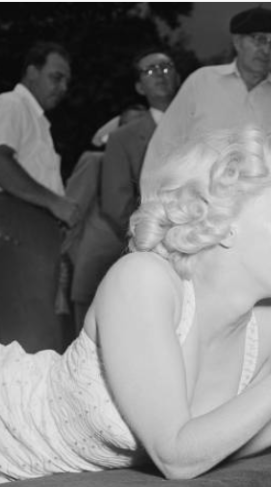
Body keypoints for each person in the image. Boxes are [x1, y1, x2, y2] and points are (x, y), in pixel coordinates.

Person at [0, 128, 271, 486]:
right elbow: (176, 458)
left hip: (42, 479)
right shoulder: (144, 279)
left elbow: (220, 445)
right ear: (226, 223)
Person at [70, 48, 180, 330]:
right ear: (138, 86)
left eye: (166, 67)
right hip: (150, 249)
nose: (161, 74)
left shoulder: (201, 125)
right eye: (150, 70)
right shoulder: (123, 138)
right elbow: (115, 202)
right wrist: (157, 240)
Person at [141, 6, 271, 181]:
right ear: (237, 42)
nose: (266, 50)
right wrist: (152, 204)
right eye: (259, 40)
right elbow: (162, 148)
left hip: (259, 206)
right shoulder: (202, 83)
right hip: (199, 204)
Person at [0, 41, 79, 353]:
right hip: (14, 223)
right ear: (31, 71)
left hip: (35, 233)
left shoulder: (37, 119)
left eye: (66, 80)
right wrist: (56, 203)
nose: (63, 87)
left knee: (42, 341)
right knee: (30, 343)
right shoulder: (11, 104)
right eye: (56, 77)